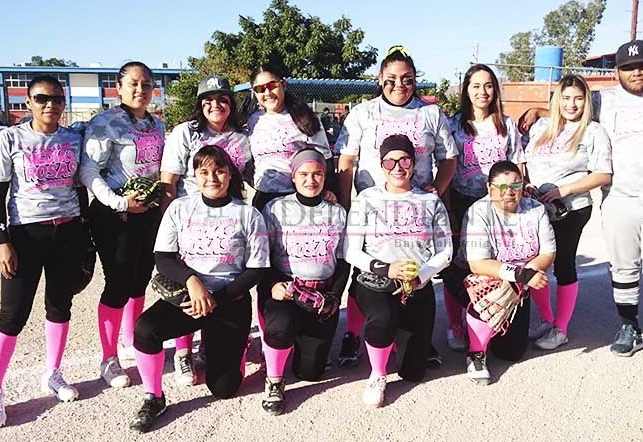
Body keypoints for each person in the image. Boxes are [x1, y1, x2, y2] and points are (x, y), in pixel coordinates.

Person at [519, 40, 643, 376]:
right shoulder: (602, 99)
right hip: (618, 197)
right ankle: (630, 328)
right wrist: (540, 110)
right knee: (623, 268)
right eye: (628, 67)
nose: (636, 72)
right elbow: (570, 102)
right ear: (617, 71)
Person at [128, 145, 269, 432]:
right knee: (145, 329)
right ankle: (153, 396)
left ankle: (235, 344)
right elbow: (164, 258)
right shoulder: (181, 207)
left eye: (219, 170)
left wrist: (216, 298)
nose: (212, 177)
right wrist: (192, 282)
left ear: (230, 174)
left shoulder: (247, 214)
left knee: (225, 388)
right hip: (191, 296)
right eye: (203, 171)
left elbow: (257, 269)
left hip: (229, 299)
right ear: (195, 175)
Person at [335, 45, 458, 368]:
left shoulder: (430, 113)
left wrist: (437, 188)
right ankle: (353, 333)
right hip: (372, 206)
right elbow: (346, 160)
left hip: (414, 205)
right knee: (364, 274)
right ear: (379, 78)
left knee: (417, 271)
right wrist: (347, 205)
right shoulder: (364, 112)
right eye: (391, 79)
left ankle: (418, 334)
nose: (399, 85)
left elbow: (449, 158)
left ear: (416, 80)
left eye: (407, 79)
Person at [0, 75, 87, 428]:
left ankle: (53, 373)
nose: (51, 105)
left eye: (57, 99)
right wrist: (3, 242)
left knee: (60, 305)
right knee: (13, 313)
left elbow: (81, 190)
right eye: (42, 99)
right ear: (28, 102)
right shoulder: (8, 139)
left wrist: (84, 236)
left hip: (67, 230)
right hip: (26, 234)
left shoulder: (74, 138)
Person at [345, 135, 452, 407]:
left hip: (416, 284)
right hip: (376, 283)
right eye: (389, 161)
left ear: (414, 163)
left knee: (413, 372)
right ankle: (377, 374)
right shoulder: (367, 198)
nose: (397, 167)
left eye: (404, 160)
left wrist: (422, 276)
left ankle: (400, 342)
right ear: (381, 165)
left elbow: (446, 251)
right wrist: (386, 268)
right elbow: (351, 251)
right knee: (383, 317)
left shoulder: (429, 200)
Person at [159, 75, 252, 386]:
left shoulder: (241, 136)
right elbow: (168, 180)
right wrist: (167, 223)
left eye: (223, 99)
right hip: (191, 219)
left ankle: (215, 346)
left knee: (223, 282)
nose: (216, 104)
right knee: (189, 287)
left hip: (228, 217)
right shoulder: (187, 132)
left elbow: (252, 174)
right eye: (208, 99)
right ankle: (183, 352)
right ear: (200, 104)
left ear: (231, 104)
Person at [80, 61, 166, 389]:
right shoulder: (106, 123)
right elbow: (89, 171)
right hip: (114, 215)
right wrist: (118, 201)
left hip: (148, 213)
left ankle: (131, 339)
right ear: (119, 87)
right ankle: (108, 357)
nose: (140, 90)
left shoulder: (156, 125)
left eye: (146, 84)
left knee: (140, 278)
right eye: (133, 83)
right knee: (117, 283)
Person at [523, 75, 612, 350]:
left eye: (578, 98)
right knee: (534, 262)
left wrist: (565, 190)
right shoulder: (541, 127)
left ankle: (560, 329)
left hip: (569, 210)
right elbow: (526, 161)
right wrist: (525, 184)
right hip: (536, 208)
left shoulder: (593, 131)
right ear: (556, 99)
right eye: (566, 97)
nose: (571, 104)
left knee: (562, 264)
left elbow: (603, 174)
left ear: (586, 101)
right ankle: (547, 319)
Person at [258, 149, 349, 416]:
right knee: (281, 326)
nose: (311, 180)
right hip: (286, 288)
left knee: (310, 373)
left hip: (319, 292)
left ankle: (300, 343)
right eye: (304, 174)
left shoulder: (337, 212)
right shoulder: (275, 208)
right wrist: (272, 284)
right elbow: (262, 255)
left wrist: (335, 295)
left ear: (325, 177)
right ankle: (274, 380)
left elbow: (344, 260)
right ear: (293, 178)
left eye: (318, 174)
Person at [441, 63, 525, 352]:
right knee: (459, 266)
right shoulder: (453, 125)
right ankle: (456, 323)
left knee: (494, 262)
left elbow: (518, 165)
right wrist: (449, 209)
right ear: (466, 89)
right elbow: (447, 168)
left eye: (488, 85)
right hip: (464, 201)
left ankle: (489, 314)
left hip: (498, 206)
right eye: (476, 85)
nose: (482, 91)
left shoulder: (506, 124)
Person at [454, 160, 555, 384]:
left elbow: (548, 253)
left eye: (515, 186)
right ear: (489, 188)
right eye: (501, 187)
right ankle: (475, 351)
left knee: (511, 352)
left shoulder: (536, 209)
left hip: (519, 283)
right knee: (491, 286)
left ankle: (493, 325)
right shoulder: (478, 212)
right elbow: (478, 263)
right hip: (479, 279)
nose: (508, 192)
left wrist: (525, 275)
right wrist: (520, 275)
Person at [247, 64, 335, 210]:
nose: (267, 92)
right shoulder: (252, 121)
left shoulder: (305, 117)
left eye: (272, 85)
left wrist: (328, 189)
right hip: (264, 197)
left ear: (283, 84)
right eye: (260, 89)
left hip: (299, 198)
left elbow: (326, 159)